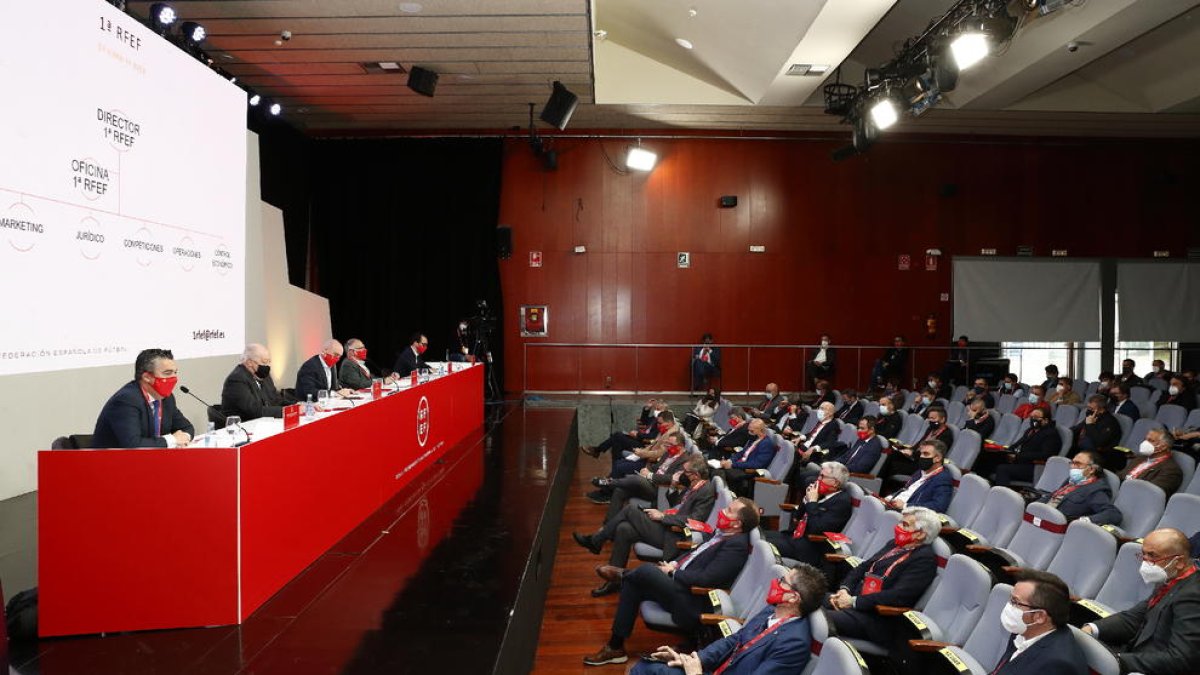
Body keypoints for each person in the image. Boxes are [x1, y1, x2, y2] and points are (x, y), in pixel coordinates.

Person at [582, 499, 759, 666]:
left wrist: (673, 573)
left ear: (737, 524)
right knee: (634, 584)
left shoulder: (736, 546)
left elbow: (707, 579)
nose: (722, 511)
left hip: (693, 600)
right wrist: (674, 564)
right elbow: (695, 554)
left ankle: (623, 574)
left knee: (646, 571)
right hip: (681, 584)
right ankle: (615, 647)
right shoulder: (722, 534)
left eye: (728, 511)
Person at [632, 564, 828, 675]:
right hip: (714, 671)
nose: (775, 583)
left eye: (782, 581)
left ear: (794, 598)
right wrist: (693, 659)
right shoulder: (771, 610)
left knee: (647, 671)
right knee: (648, 665)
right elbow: (736, 639)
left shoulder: (794, 644)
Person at [575, 456, 717, 596]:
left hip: (675, 536)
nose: (681, 473)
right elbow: (676, 504)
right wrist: (673, 487)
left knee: (630, 509)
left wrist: (663, 516)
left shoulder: (706, 491)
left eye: (685, 471)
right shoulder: (693, 486)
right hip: (667, 525)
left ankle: (596, 540)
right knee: (623, 529)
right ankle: (614, 581)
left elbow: (694, 520)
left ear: (695, 475)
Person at [1083, 527, 1200, 675]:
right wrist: (1091, 630)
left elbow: (1181, 658)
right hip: (1138, 654)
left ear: (1179, 562)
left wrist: (1116, 660)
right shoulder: (1169, 578)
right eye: (1143, 555)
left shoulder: (1194, 595)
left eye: (1152, 556)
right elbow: (1133, 618)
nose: (1145, 562)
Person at [823, 507, 940, 641]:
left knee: (818, 617)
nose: (898, 527)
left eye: (905, 525)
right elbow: (864, 567)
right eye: (900, 522)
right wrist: (844, 590)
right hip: (853, 599)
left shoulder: (924, 559)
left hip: (875, 617)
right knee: (808, 596)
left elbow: (897, 596)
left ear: (920, 534)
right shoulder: (894, 544)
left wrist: (853, 602)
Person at [990, 569, 1087, 675]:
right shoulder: (1023, 630)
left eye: (1015, 602)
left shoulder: (1057, 665)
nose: (1009, 606)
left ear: (1040, 616)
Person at [92, 348, 194, 449]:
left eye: (175, 373)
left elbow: (187, 428)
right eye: (167, 373)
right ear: (146, 377)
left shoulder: (166, 398)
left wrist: (184, 437)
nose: (174, 378)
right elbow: (133, 445)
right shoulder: (126, 400)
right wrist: (173, 440)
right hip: (112, 463)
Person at [765, 462, 853, 567]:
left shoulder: (841, 502)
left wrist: (812, 502)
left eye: (822, 476)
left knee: (763, 545)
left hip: (808, 549)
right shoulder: (821, 494)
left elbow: (817, 529)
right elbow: (797, 517)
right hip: (795, 537)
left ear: (835, 483)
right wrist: (807, 498)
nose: (818, 480)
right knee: (759, 535)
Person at [1037, 451, 1120, 524]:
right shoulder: (1072, 480)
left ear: (1091, 469)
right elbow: (1053, 495)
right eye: (1072, 463)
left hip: (1056, 526)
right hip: (1042, 516)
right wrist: (1035, 506)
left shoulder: (1096, 490)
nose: (1073, 467)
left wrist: (1083, 521)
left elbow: (1113, 514)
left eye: (1078, 464)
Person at [988, 408, 1061, 485]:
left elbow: (1045, 455)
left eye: (1036, 417)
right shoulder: (1031, 430)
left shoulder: (1051, 434)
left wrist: (1018, 456)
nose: (1033, 419)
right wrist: (1006, 451)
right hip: (1021, 461)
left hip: (1035, 467)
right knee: (991, 459)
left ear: (1045, 420)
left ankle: (1001, 494)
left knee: (1002, 469)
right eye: (1031, 417)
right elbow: (1017, 444)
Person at [713, 418, 779, 497]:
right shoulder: (753, 439)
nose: (749, 433)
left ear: (760, 430)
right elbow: (741, 453)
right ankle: (721, 495)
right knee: (716, 469)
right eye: (748, 430)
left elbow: (756, 464)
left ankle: (725, 497)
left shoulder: (766, 444)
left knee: (720, 472)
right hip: (741, 465)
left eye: (752, 431)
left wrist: (733, 465)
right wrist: (730, 460)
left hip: (749, 470)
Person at [220, 343, 286, 421]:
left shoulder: (264, 376)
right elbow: (255, 411)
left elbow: (276, 399)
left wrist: (295, 406)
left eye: (269, 362)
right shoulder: (236, 380)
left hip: (263, 423)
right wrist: (284, 411)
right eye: (264, 362)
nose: (267, 366)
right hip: (243, 426)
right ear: (249, 363)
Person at [884, 440, 953, 513]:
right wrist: (890, 498)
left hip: (907, 514)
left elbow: (938, 506)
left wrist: (906, 505)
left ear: (938, 458)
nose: (921, 457)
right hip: (893, 505)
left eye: (926, 454)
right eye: (921, 453)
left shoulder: (943, 479)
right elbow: (905, 489)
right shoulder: (921, 471)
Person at [885, 406, 953, 479]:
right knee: (891, 455)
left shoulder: (946, 435)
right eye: (929, 418)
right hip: (914, 457)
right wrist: (907, 449)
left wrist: (912, 454)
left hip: (923, 463)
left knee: (892, 466)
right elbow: (919, 444)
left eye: (933, 418)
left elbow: (933, 454)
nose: (930, 420)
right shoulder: (930, 429)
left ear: (942, 419)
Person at [1118, 427, 1184, 496]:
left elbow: (1149, 493)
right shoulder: (1140, 457)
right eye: (1145, 439)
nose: (1145, 443)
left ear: (1163, 447)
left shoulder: (1171, 470)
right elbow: (1121, 475)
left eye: (1150, 440)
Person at [1070, 394, 1123, 470]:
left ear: (1100, 409)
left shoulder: (1110, 422)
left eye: (1091, 408)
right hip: (1081, 448)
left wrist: (1090, 425)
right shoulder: (1092, 416)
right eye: (1088, 407)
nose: (1088, 410)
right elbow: (1077, 428)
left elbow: (1099, 442)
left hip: (1098, 455)